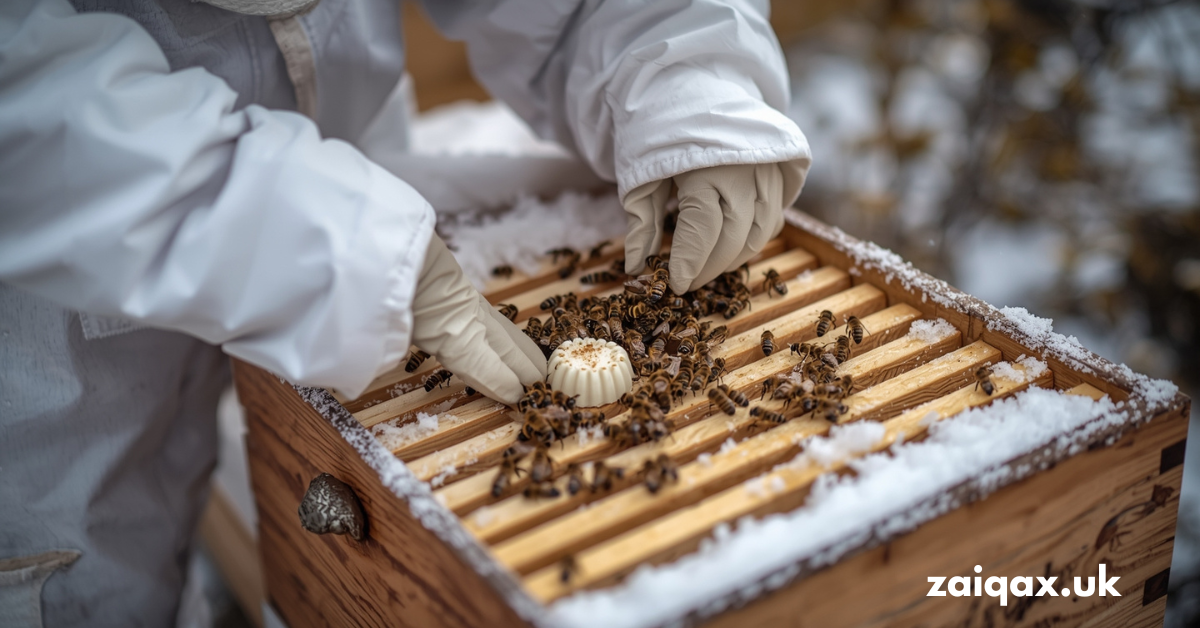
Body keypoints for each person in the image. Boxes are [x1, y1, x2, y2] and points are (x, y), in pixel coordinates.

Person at [0, 0, 811, 625]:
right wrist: (321, 241)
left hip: (358, 170)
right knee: (76, 579)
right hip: (47, 296)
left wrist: (682, 71)